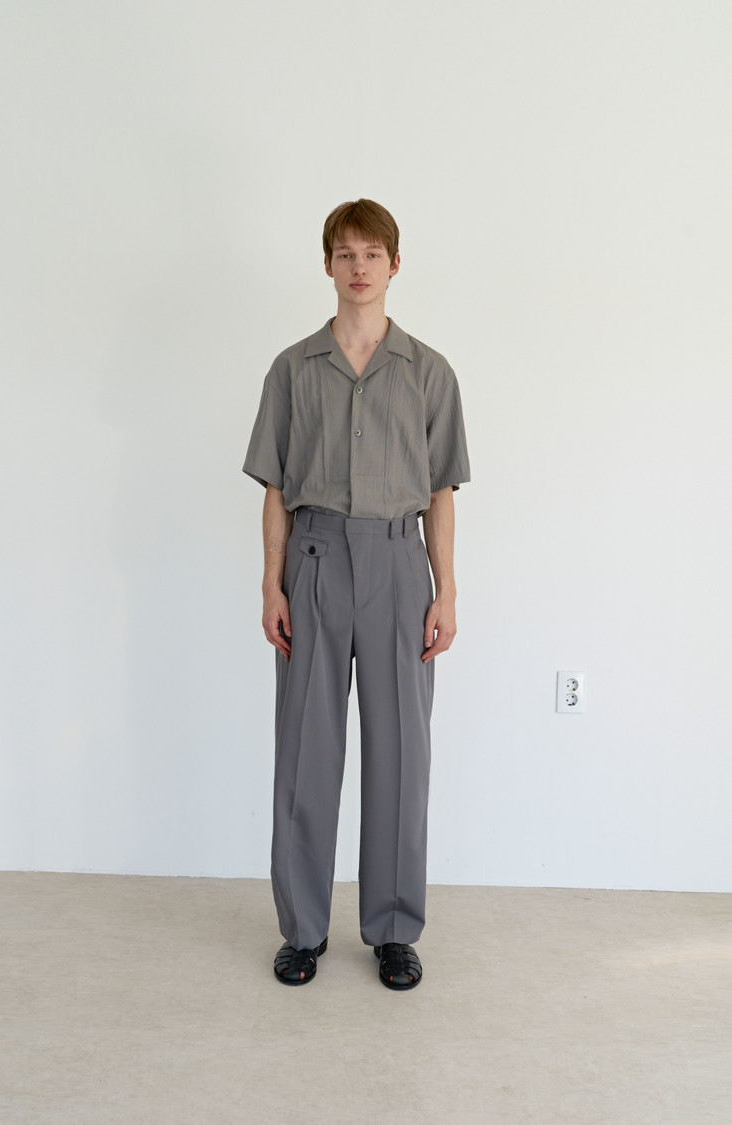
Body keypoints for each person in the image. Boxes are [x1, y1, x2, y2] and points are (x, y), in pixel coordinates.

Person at [242, 199, 470, 990]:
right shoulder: (292, 368)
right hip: (313, 561)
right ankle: (303, 929)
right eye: (346, 253)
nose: (359, 267)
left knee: (400, 751)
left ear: (395, 264)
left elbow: (441, 492)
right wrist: (271, 582)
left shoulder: (429, 371)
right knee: (307, 751)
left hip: (398, 565)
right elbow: (275, 488)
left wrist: (445, 591)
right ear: (328, 265)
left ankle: (394, 928)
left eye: (373, 253)